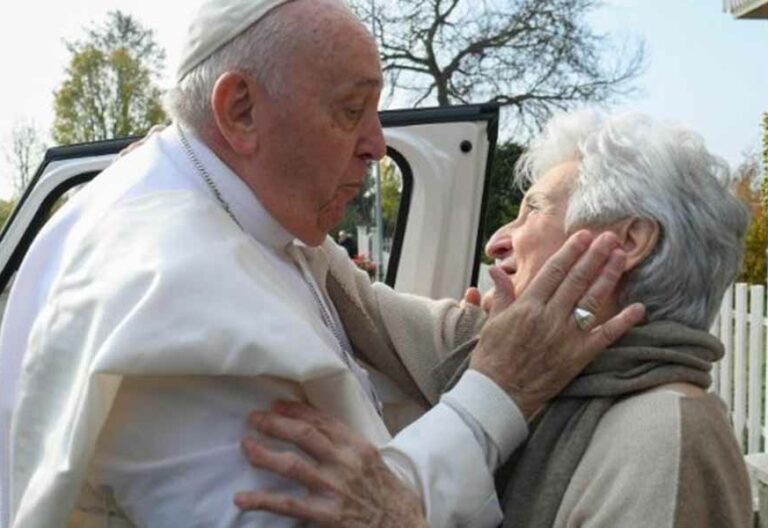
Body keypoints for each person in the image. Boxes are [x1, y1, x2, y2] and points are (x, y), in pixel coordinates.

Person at [0, 2, 644, 527]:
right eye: (350, 110)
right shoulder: (171, 288)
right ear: (240, 111)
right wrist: (497, 392)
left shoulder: (219, 199)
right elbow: (331, 512)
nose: (377, 145)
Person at [236, 110, 753, 527]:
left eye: (534, 210)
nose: (497, 240)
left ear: (626, 244)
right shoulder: (493, 348)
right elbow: (350, 294)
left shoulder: (666, 437)